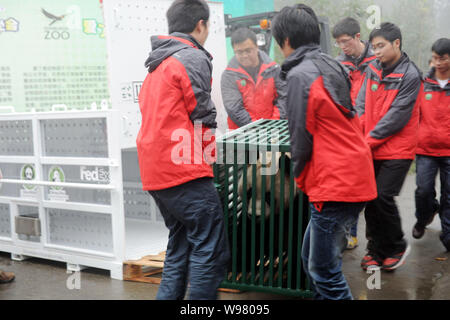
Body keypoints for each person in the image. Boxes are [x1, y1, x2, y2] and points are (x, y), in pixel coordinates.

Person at [272, 4, 377, 300]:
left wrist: (301, 178)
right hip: (353, 174)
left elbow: (300, 139)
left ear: (286, 41)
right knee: (312, 261)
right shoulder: (333, 65)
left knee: (325, 272)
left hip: (334, 184)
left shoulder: (299, 76)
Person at [136, 0, 229, 300]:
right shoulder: (190, 57)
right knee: (210, 247)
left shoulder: (157, 65)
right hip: (183, 169)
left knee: (180, 246)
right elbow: (202, 114)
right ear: (201, 24)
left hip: (155, 171)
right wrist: (209, 163)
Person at [355, 22, 422, 271]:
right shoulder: (372, 68)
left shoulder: (411, 75)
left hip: (397, 150)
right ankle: (375, 250)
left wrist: (366, 141)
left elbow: (396, 118)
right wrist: (359, 134)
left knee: (383, 196)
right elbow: (361, 103)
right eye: (373, 47)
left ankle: (396, 245)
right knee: (369, 199)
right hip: (369, 146)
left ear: (397, 43)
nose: (377, 52)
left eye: (381, 46)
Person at [332, 17, 377, 250]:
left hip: (373, 130)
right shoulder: (340, 63)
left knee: (374, 191)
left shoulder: (376, 59)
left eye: (346, 41)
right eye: (339, 43)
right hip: (350, 131)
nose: (343, 47)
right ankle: (350, 233)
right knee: (351, 185)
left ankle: (377, 241)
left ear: (358, 37)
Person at [413, 38, 450, 252]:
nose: (438, 62)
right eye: (435, 58)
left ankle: (448, 235)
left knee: (449, 195)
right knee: (423, 191)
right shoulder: (423, 83)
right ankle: (424, 217)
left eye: (443, 58)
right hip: (425, 149)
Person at [221, 27, 286, 130]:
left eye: (248, 50)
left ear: (256, 47)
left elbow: (283, 98)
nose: (244, 55)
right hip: (242, 137)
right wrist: (258, 128)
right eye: (239, 52)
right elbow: (235, 109)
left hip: (273, 131)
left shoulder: (274, 69)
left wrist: (273, 124)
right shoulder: (229, 76)